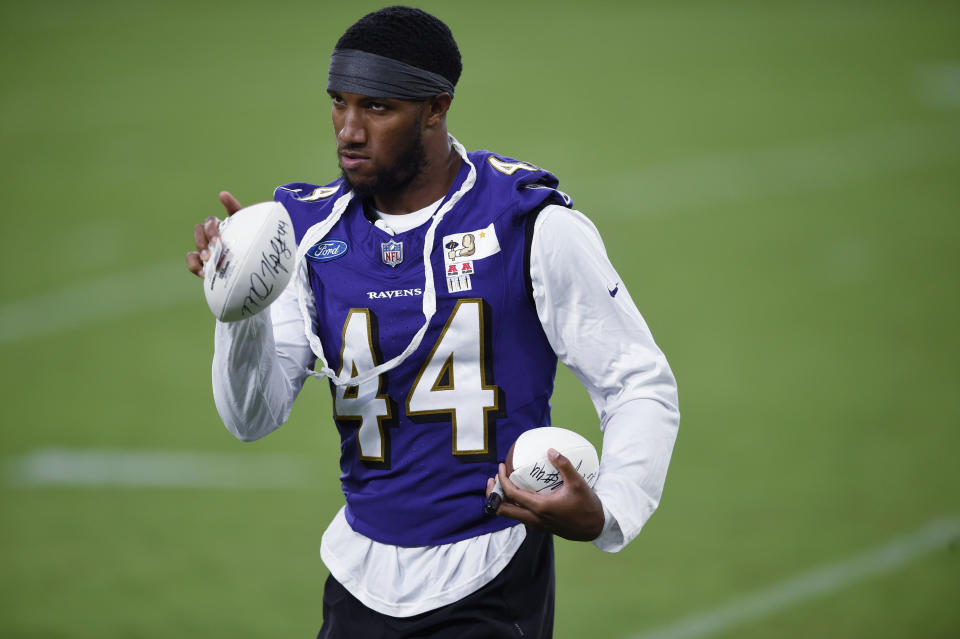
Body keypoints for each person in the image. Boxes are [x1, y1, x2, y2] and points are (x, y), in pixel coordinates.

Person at [186, 6, 679, 638]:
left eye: (378, 108)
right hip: (359, 573)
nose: (349, 131)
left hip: (490, 571)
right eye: (339, 102)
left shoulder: (528, 222)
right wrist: (239, 308)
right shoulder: (301, 233)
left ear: (436, 107)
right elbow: (251, 418)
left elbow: (637, 381)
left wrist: (610, 510)